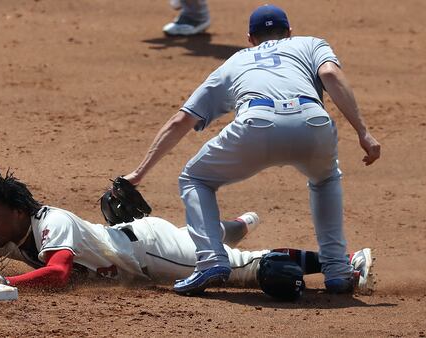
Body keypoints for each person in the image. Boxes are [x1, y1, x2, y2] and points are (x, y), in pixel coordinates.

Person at [124, 4, 381, 295]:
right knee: (325, 179)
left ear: (250, 38)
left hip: (256, 125)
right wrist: (364, 132)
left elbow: (182, 119)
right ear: (289, 33)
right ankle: (336, 270)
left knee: (195, 178)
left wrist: (140, 172)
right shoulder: (309, 43)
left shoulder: (235, 61)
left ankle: (210, 261)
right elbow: (331, 76)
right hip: (313, 121)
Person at [0, 168, 375, 298]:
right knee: (214, 245)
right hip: (135, 238)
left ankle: (346, 263)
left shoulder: (49, 222)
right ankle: (234, 225)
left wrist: (4, 288)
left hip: (149, 253)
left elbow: (55, 274)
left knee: (246, 270)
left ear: (16, 211)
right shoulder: (8, 230)